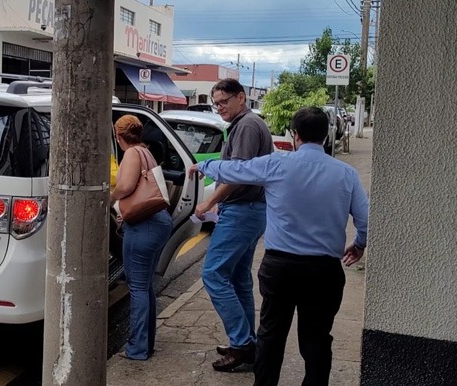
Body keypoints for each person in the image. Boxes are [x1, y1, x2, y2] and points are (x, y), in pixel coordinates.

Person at [188, 106, 369, 385]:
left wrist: (204, 165)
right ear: (324, 135)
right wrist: (358, 244)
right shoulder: (346, 174)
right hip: (324, 271)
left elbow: (237, 169)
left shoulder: (276, 164)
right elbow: (365, 220)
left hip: (280, 268)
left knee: (271, 334)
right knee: (317, 338)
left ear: (294, 135)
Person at [195, 78, 273, 372]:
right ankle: (246, 342)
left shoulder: (248, 125)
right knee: (238, 277)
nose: (219, 108)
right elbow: (233, 170)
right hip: (247, 209)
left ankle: (242, 343)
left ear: (241, 97)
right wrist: (218, 200)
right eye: (216, 103)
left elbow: (238, 173)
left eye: (224, 102)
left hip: (243, 212)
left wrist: (207, 202)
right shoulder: (245, 124)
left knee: (214, 274)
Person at [110, 114, 173, 360]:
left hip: (143, 226)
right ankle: (146, 343)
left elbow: (125, 186)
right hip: (157, 222)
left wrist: (109, 197)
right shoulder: (145, 151)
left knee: (136, 288)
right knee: (144, 286)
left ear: (118, 135)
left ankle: (137, 348)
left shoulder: (131, 154)